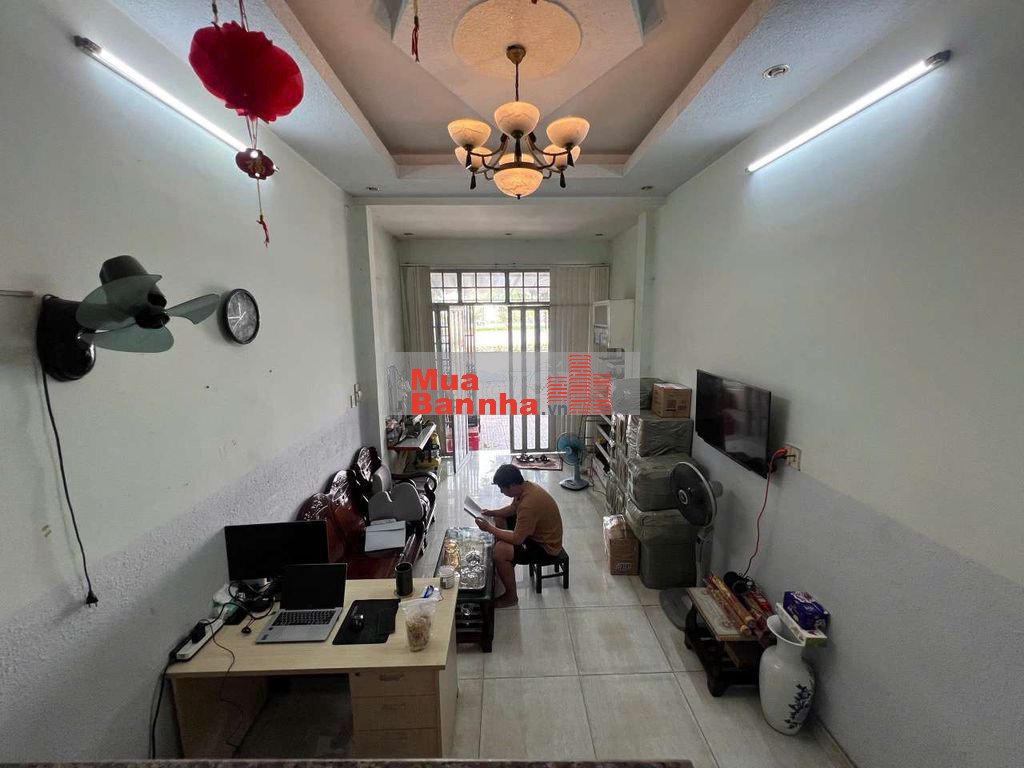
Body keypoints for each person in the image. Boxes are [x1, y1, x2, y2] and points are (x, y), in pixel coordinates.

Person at [474, 464, 563, 608]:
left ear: (512, 485)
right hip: (537, 533)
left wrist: (489, 528)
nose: (501, 492)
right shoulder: (526, 488)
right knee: (500, 518)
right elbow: (512, 509)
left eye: (503, 488)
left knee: (500, 550)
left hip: (546, 546)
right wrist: (493, 512)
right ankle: (505, 564)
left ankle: (511, 597)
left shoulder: (529, 504)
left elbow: (517, 539)